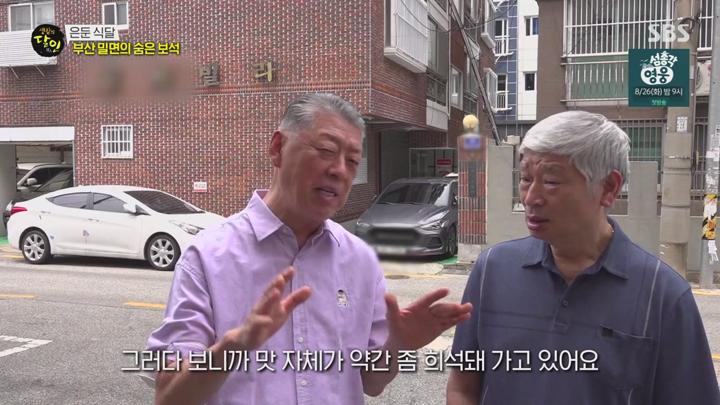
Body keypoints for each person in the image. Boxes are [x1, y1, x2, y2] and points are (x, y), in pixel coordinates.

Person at [145, 93, 472, 405]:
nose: (339, 170)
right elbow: (169, 396)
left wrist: (397, 345)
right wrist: (236, 345)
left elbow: (372, 383)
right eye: (326, 150)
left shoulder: (360, 260)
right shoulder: (207, 256)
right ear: (278, 148)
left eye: (352, 160)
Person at [447, 111, 720, 404]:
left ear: (609, 187)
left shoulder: (663, 295)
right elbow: (463, 386)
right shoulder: (492, 270)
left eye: (551, 181)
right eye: (526, 179)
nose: (530, 198)